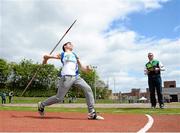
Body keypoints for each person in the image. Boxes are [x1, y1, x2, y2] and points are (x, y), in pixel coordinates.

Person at [38, 42, 104, 120]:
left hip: (76, 77)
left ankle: (92, 113)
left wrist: (88, 69)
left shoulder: (75, 55)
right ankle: (42, 104)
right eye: (69, 44)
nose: (71, 44)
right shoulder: (63, 54)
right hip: (66, 77)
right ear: (65, 46)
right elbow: (47, 57)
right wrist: (46, 58)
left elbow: (83, 68)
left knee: (88, 89)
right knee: (59, 98)